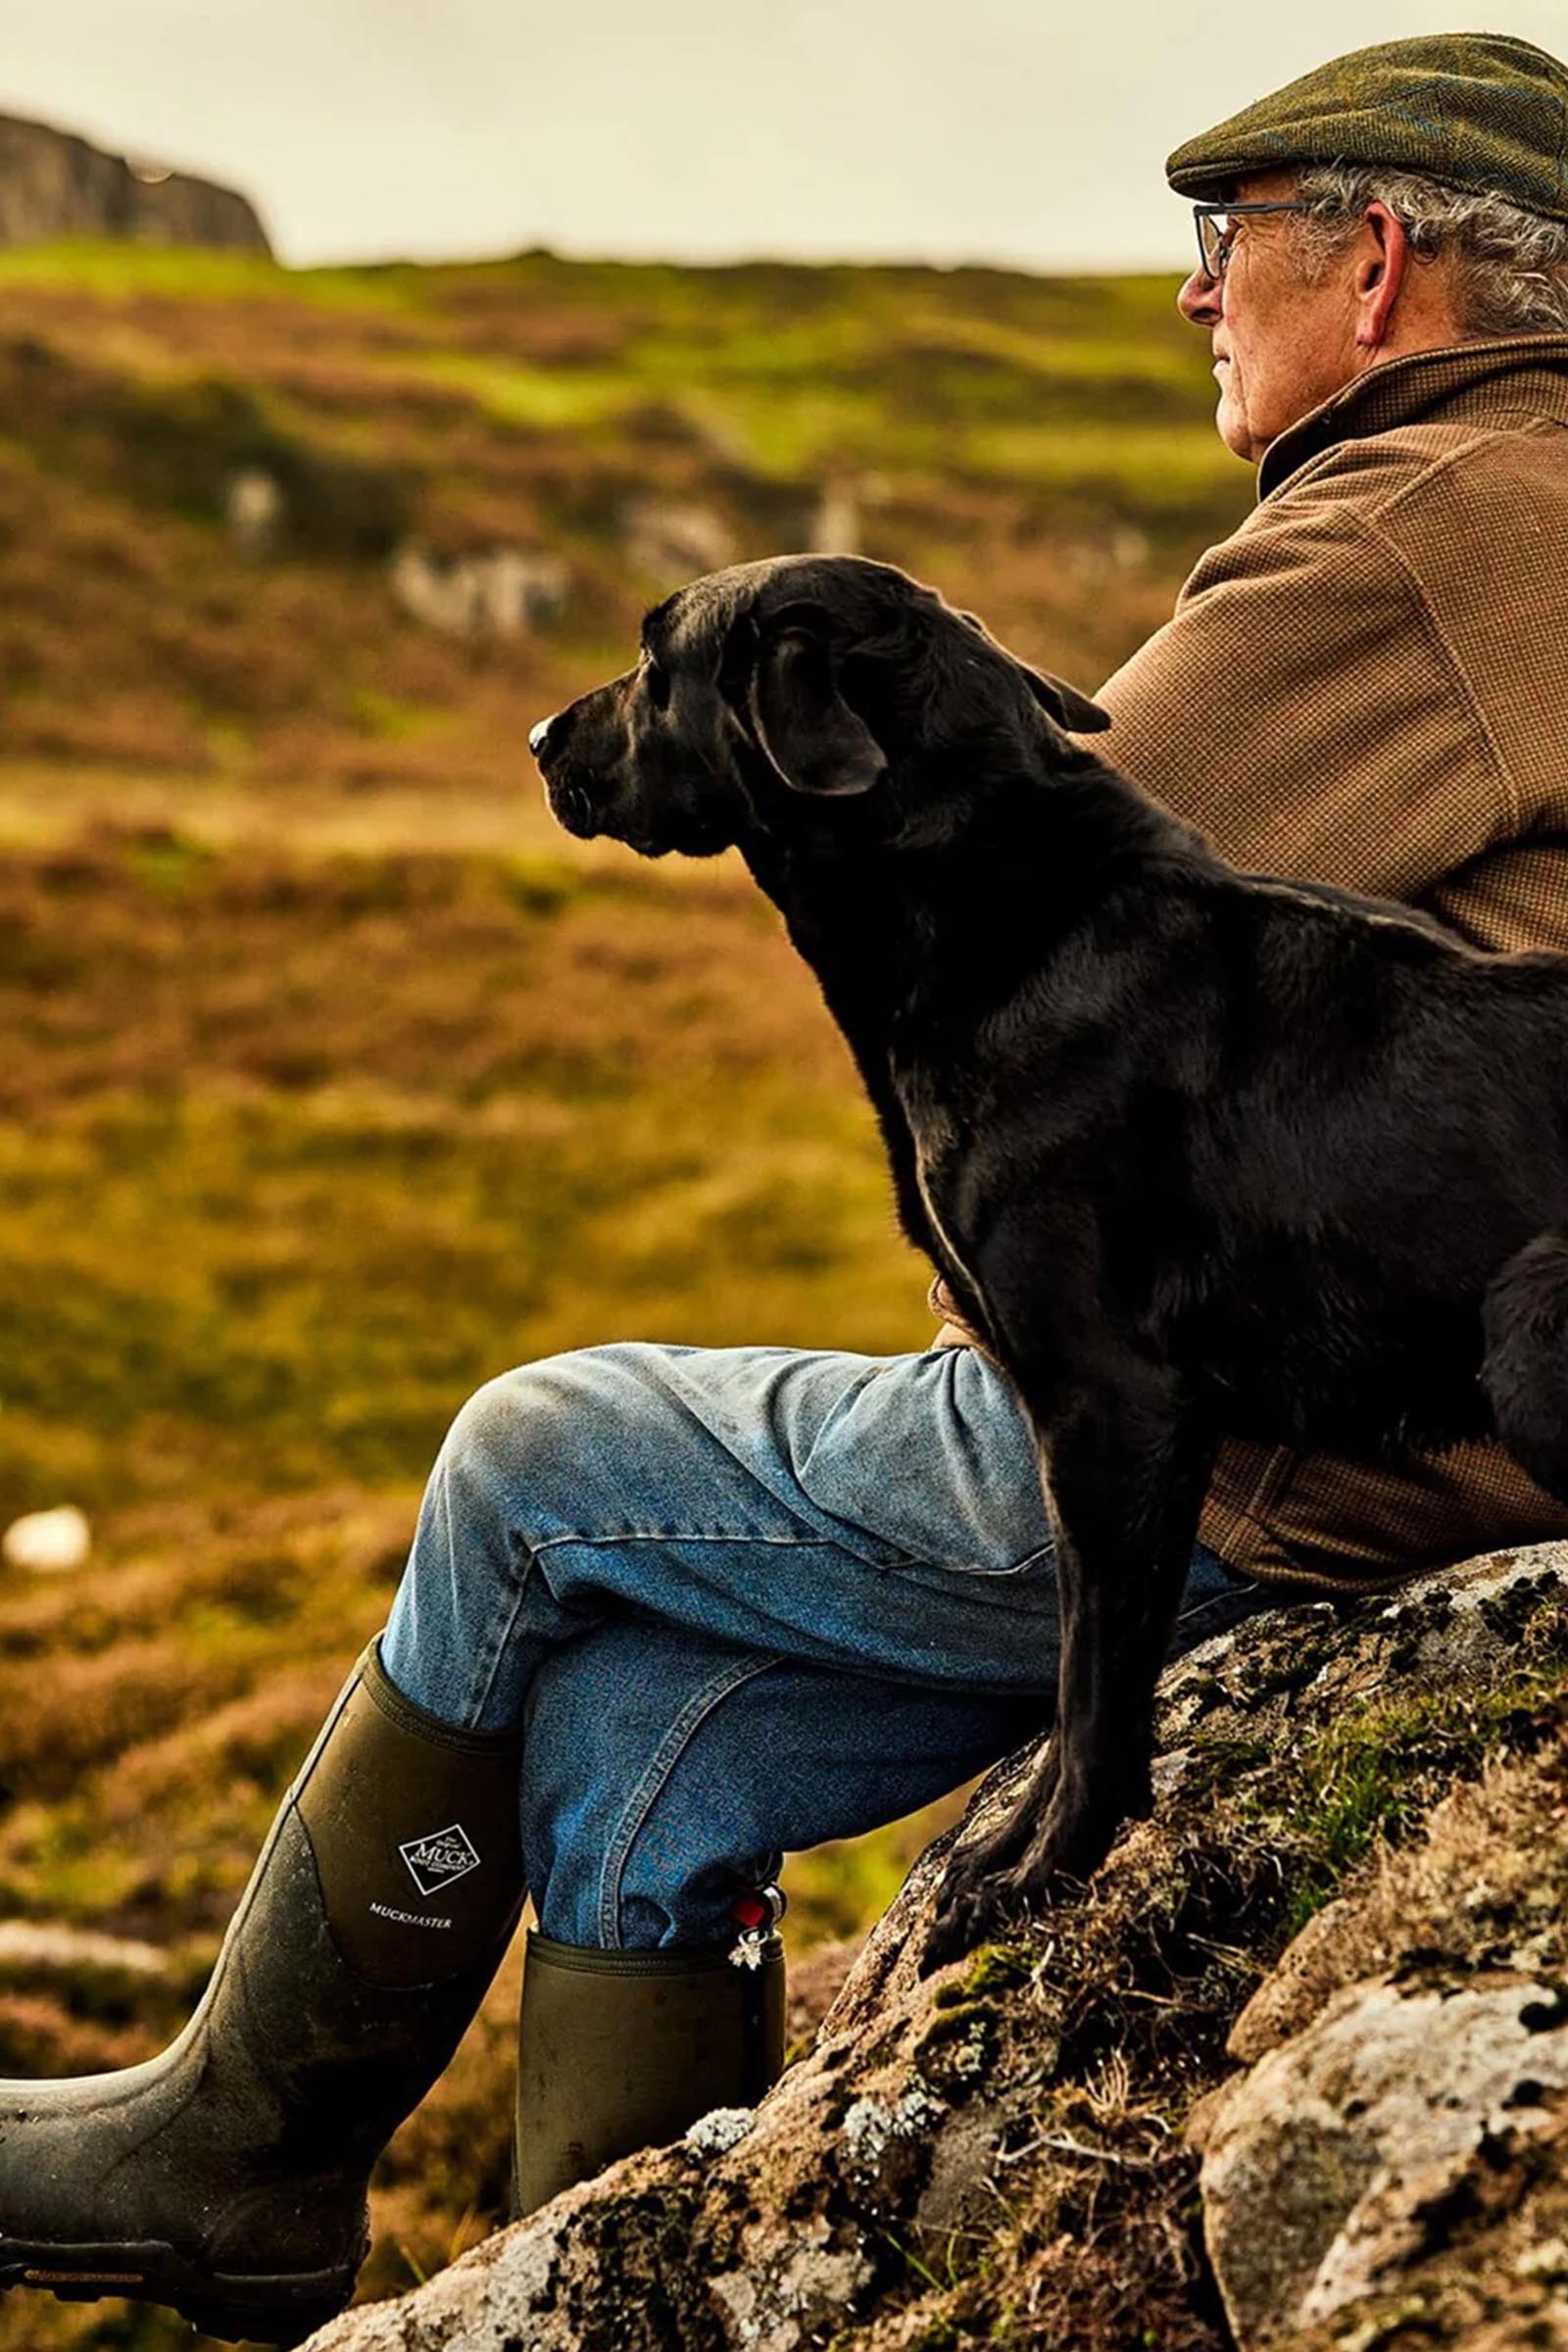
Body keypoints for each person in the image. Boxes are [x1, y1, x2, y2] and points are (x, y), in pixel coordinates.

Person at [5, 28, 1568, 2345]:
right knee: (633, 1750)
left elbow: (1040, 892)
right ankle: (591, 2287)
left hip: (1290, 1446)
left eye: (1220, 238)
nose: (1188, 291)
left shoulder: (1424, 524)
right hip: (1429, 1402)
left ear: (1371, 260)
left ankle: (231, 2145)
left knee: (527, 1459)